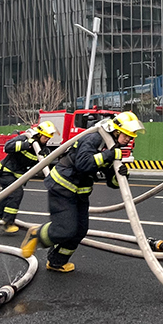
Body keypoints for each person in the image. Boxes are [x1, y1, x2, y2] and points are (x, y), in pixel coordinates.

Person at [21, 111, 144, 272]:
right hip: (62, 187)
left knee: (80, 230)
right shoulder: (95, 139)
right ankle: (36, 235)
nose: (130, 138)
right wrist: (108, 155)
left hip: (80, 193)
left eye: (132, 135)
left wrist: (121, 174)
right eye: (127, 134)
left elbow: (111, 181)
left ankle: (57, 261)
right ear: (116, 130)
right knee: (65, 229)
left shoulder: (112, 148)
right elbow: (83, 164)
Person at [0, 120, 57, 235]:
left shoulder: (41, 149)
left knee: (5, 201)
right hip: (6, 172)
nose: (47, 140)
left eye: (49, 138)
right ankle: (8, 223)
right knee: (16, 194)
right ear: (39, 134)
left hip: (17, 177)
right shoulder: (24, 139)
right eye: (46, 137)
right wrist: (26, 145)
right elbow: (7, 147)